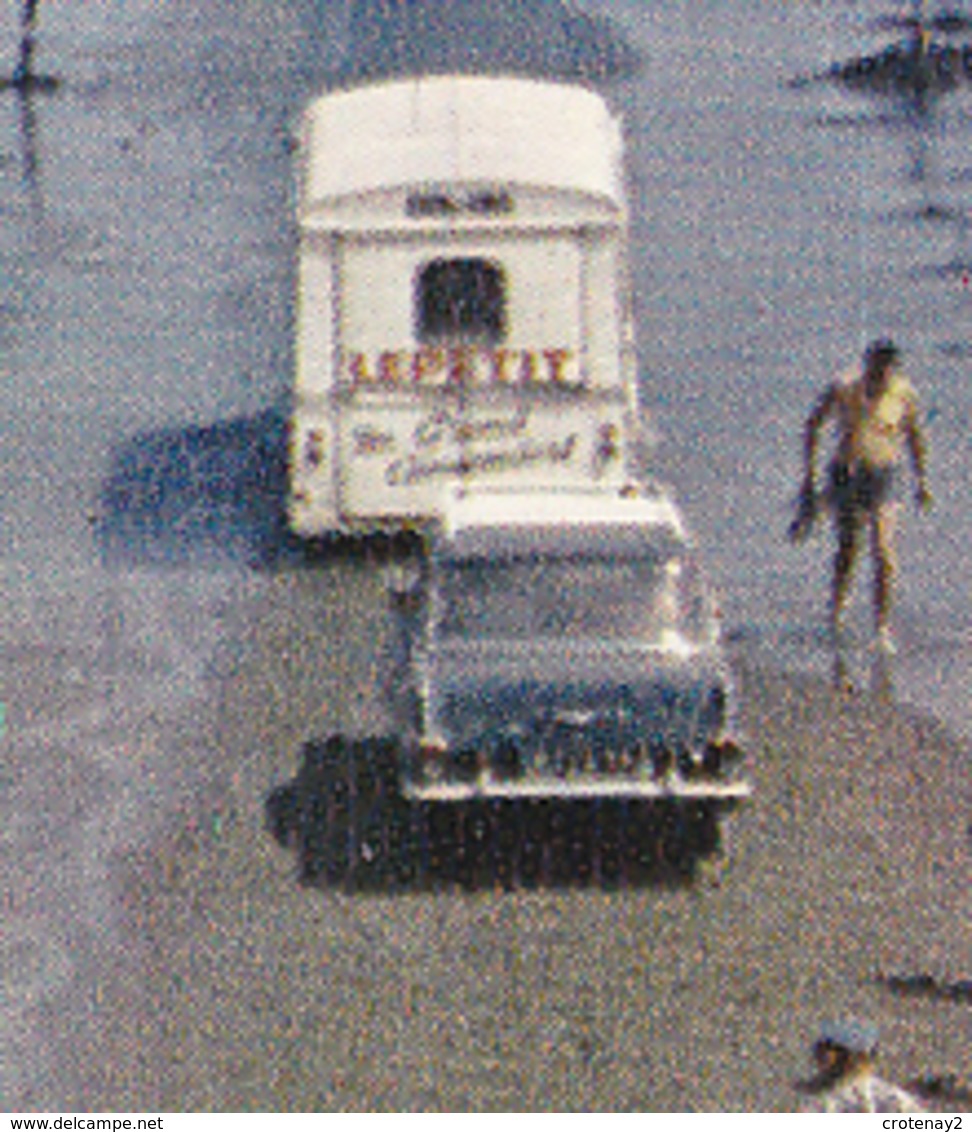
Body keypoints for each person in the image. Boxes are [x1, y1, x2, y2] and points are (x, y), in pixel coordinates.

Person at [790, 338, 931, 653]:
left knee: (884, 551)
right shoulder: (844, 387)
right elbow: (813, 426)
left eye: (887, 369)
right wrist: (808, 478)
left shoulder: (903, 393)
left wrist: (922, 481)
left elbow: (915, 436)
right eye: (877, 367)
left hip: (884, 474)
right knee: (849, 549)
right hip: (848, 472)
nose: (881, 375)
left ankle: (881, 628)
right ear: (868, 364)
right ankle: (836, 615)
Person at [799, 1019, 925, 1113]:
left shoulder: (890, 1099)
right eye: (821, 1050)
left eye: (832, 1051)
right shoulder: (817, 1101)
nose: (823, 1057)